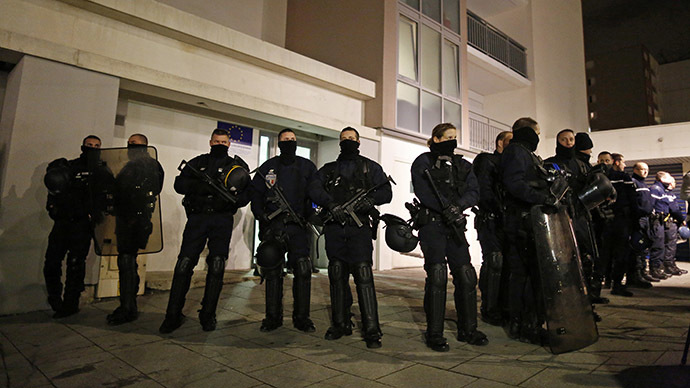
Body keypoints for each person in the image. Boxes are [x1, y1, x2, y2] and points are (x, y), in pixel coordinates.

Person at [159, 129, 250, 333]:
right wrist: (202, 186)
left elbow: (246, 194)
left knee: (217, 265)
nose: (220, 144)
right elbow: (179, 184)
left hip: (222, 219)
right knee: (184, 264)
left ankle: (208, 314)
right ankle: (172, 315)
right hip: (198, 218)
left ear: (229, 144)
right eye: (216, 141)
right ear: (210, 142)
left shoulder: (236, 166)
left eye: (224, 141)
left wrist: (232, 198)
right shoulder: (197, 162)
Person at [412, 123, 487, 352]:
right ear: (436, 138)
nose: (452, 141)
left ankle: (469, 329)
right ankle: (434, 333)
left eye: (455, 137)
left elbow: (474, 191)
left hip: (455, 225)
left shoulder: (462, 164)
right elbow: (422, 191)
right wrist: (443, 209)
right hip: (432, 224)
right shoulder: (423, 161)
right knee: (437, 276)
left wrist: (458, 207)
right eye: (448, 137)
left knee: (465, 276)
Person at [249, 128, 330, 333]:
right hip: (275, 227)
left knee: (303, 270)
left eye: (293, 139)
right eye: (286, 139)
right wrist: (261, 215)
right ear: (279, 142)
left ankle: (302, 318)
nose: (289, 142)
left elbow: (315, 193)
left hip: (298, 227)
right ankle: (272, 317)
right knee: (273, 270)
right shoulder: (268, 167)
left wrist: (313, 214)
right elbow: (256, 193)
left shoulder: (307, 166)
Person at [319, 127, 392, 349]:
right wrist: (330, 204)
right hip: (335, 229)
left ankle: (372, 328)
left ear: (359, 141)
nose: (348, 142)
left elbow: (386, 193)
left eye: (351, 138)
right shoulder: (329, 170)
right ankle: (340, 323)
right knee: (337, 274)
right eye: (344, 139)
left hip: (359, 229)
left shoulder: (371, 167)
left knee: (363, 274)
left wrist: (371, 201)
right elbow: (313, 188)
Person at [43, 135, 106, 318]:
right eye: (89, 145)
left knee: (76, 264)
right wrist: (53, 209)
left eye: (96, 146)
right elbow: (55, 190)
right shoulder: (69, 167)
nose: (93, 148)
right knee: (52, 262)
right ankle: (55, 298)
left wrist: (96, 214)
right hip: (63, 223)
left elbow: (107, 195)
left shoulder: (102, 170)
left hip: (82, 225)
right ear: (83, 146)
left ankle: (71, 303)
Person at [500, 117, 550, 344]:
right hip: (521, 222)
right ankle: (523, 324)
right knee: (525, 275)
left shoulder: (526, 153)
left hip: (529, 221)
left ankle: (529, 321)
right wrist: (541, 198)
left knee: (532, 275)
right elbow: (515, 183)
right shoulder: (517, 152)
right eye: (536, 133)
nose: (538, 137)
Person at [107, 134, 164, 325]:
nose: (132, 147)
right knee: (128, 261)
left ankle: (128, 307)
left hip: (137, 220)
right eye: (130, 144)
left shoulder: (149, 166)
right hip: (125, 219)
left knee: (127, 260)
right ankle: (128, 305)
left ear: (145, 146)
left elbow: (150, 191)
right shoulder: (129, 166)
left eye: (136, 145)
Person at [472, 131, 512, 326]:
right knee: (494, 261)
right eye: (510, 141)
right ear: (499, 143)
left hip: (510, 222)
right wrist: (498, 208)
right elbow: (483, 190)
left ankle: (505, 306)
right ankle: (490, 308)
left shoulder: (516, 164)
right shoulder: (487, 161)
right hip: (491, 219)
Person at [599, 153, 643, 294]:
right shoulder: (620, 178)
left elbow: (632, 201)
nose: (604, 163)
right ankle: (611, 284)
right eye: (601, 161)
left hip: (614, 220)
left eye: (607, 160)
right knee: (613, 253)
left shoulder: (613, 177)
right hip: (612, 221)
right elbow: (633, 201)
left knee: (614, 253)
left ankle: (612, 283)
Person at [629, 162, 657, 284]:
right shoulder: (633, 182)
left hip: (646, 219)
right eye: (642, 169)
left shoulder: (644, 184)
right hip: (638, 219)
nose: (645, 172)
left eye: (647, 169)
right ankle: (636, 275)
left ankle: (643, 272)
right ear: (635, 170)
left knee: (644, 247)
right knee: (637, 247)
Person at [662, 176, 686, 276]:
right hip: (670, 222)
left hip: (671, 222)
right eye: (674, 181)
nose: (676, 183)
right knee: (670, 245)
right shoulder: (667, 194)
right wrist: (682, 219)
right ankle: (668, 266)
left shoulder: (669, 193)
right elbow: (674, 210)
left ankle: (671, 264)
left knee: (671, 245)